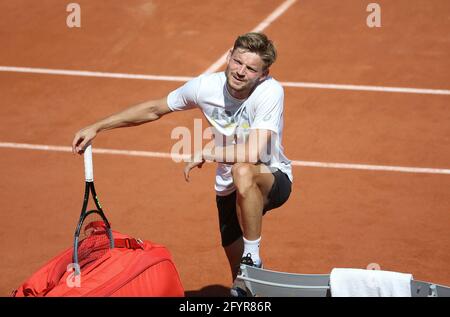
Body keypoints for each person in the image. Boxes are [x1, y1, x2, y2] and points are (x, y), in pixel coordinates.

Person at [72, 32, 293, 297]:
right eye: (237, 62)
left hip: (271, 176)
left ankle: (252, 256)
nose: (241, 72)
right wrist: (98, 126)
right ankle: (249, 280)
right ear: (228, 56)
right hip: (228, 186)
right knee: (243, 284)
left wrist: (210, 153)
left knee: (242, 169)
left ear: (263, 74)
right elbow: (155, 108)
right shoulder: (204, 88)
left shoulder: (270, 92)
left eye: (251, 68)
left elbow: (252, 152)